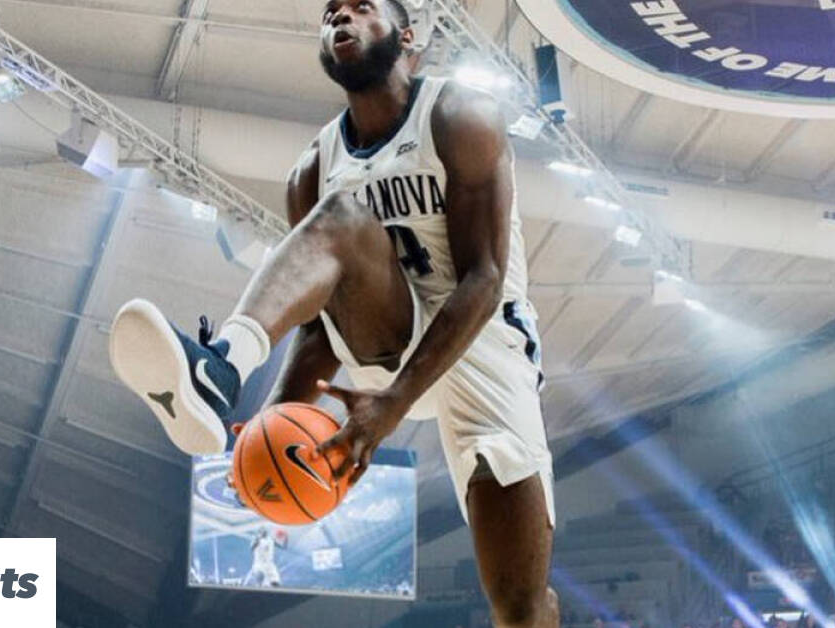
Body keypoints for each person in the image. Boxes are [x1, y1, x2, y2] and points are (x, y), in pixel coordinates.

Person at [109, 0, 557, 625]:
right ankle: (221, 369)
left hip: (481, 339)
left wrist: (393, 404)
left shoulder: (459, 115)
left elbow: (482, 280)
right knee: (342, 218)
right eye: (329, 14)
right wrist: (269, 423)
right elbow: (322, 324)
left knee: (519, 603)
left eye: (360, 8)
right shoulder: (313, 170)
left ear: (407, 37)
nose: (340, 18)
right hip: (390, 332)